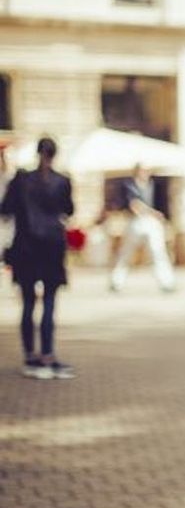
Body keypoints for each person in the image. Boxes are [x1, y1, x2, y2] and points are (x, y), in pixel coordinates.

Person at [0, 137, 76, 379]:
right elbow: (69, 210)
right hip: (52, 247)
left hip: (26, 248)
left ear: (37, 153)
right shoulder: (62, 181)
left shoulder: (21, 180)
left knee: (29, 303)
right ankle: (48, 354)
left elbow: (5, 211)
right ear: (54, 154)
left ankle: (31, 356)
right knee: (50, 303)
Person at [109, 164, 176, 292]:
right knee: (126, 253)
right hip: (136, 222)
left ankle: (166, 281)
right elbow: (134, 205)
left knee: (158, 252)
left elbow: (162, 204)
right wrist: (153, 213)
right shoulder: (129, 185)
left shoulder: (154, 185)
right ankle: (116, 281)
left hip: (152, 223)